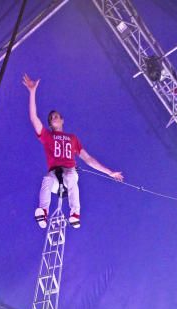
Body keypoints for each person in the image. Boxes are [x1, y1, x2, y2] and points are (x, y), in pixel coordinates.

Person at [22, 73, 124, 229]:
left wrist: (109, 172)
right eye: (51, 118)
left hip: (69, 174)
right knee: (46, 180)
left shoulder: (72, 138)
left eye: (56, 116)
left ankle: (75, 213)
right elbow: (34, 118)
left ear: (62, 120)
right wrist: (32, 92)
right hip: (55, 178)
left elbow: (88, 158)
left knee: (71, 176)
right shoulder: (48, 136)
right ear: (50, 124)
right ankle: (43, 210)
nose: (54, 118)